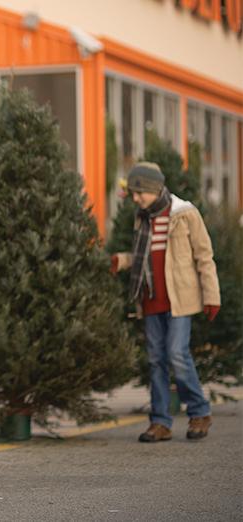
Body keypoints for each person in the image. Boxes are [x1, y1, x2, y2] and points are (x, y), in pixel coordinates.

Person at [110, 162, 220, 443]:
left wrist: (211, 296)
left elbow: (204, 257)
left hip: (179, 300)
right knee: (156, 361)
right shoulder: (142, 218)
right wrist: (121, 261)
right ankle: (160, 422)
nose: (136, 199)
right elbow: (144, 258)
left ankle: (199, 411)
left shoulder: (185, 214)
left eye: (139, 193)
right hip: (150, 301)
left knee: (177, 354)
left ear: (153, 188)